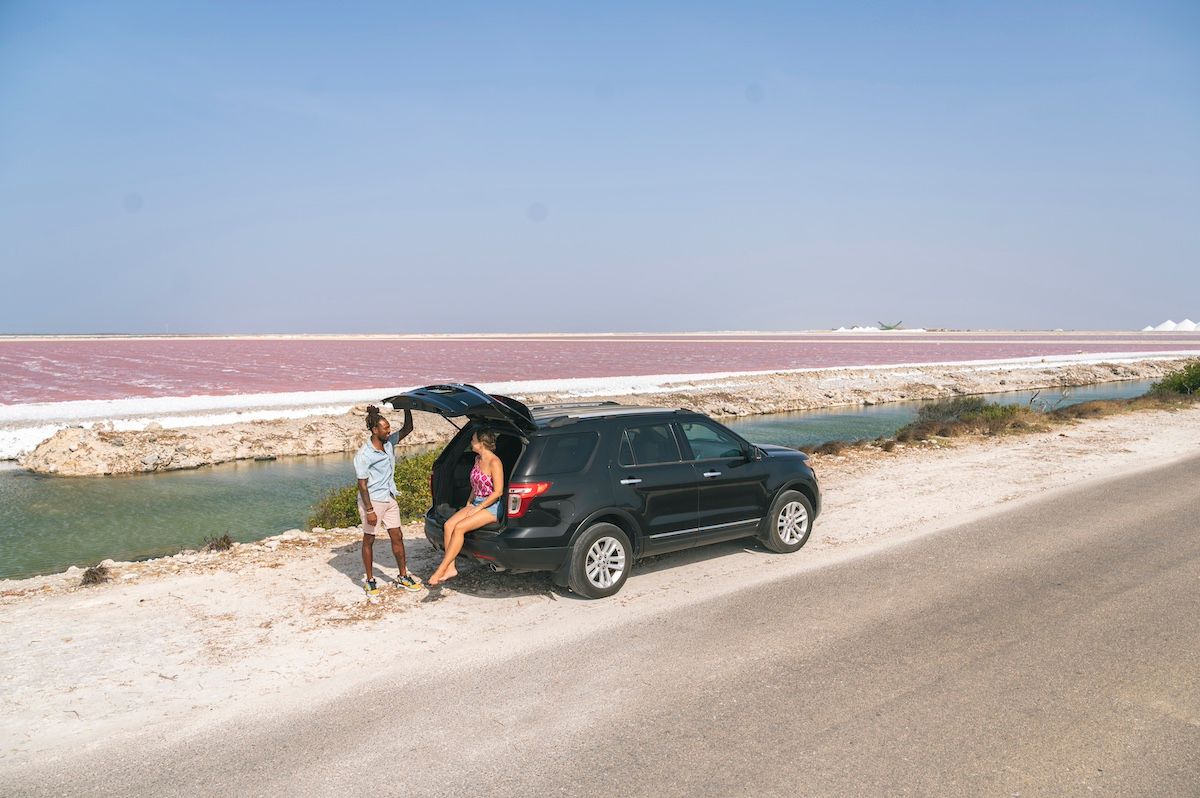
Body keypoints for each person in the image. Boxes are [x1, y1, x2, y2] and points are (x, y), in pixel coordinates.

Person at [354, 404, 422, 594]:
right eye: (386, 428)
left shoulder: (389, 443)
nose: (389, 431)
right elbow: (362, 484)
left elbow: (408, 428)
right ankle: (369, 580)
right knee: (369, 539)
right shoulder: (364, 454)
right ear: (375, 430)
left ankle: (403, 576)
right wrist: (369, 510)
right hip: (372, 501)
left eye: (389, 428)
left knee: (397, 536)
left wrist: (406, 406)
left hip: (389, 497)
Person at [428, 428, 504, 586]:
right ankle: (451, 567)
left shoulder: (495, 462)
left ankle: (441, 568)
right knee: (449, 525)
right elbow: (474, 485)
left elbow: (498, 492)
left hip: (491, 506)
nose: (471, 442)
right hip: (476, 502)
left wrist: (479, 507)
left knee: (460, 528)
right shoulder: (477, 459)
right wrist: (470, 503)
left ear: (481, 443)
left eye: (473, 440)